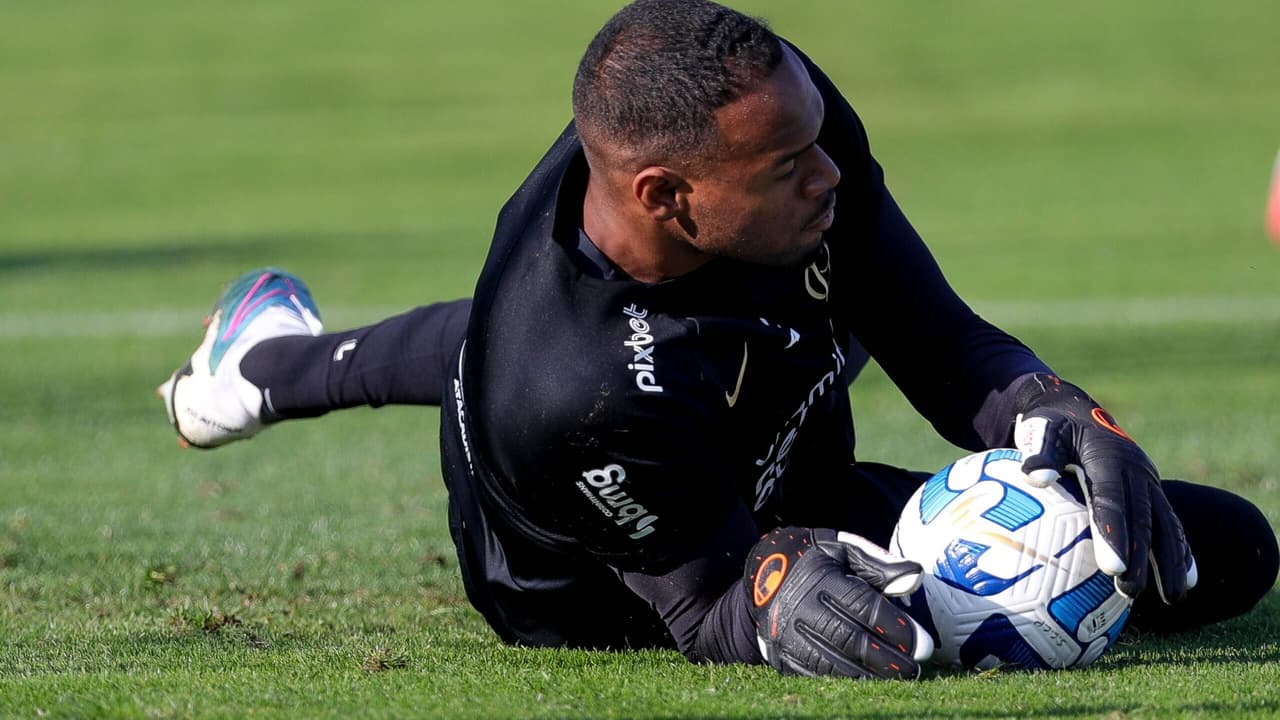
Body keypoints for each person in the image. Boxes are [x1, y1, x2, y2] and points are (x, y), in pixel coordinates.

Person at [158, 0, 1277, 679]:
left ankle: (264, 365)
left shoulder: (776, 120)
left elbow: (928, 334)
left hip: (744, 416)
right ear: (668, 197)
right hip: (603, 577)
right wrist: (774, 596)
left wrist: (1054, 407)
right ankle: (268, 366)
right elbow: (697, 600)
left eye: (811, 136)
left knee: (1220, 550)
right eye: (788, 165)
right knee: (574, 371)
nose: (828, 168)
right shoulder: (566, 393)